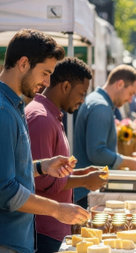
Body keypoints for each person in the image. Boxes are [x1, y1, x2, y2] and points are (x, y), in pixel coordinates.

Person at [0, 29, 89, 253]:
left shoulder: (13, 106)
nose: (48, 81)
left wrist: (43, 166)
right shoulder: (3, 110)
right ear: (23, 63)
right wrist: (57, 209)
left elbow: (9, 171)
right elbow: (5, 190)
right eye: (45, 73)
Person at [25, 57, 107, 252]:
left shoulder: (50, 114)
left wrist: (80, 174)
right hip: (44, 230)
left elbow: (51, 173)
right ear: (66, 86)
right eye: (81, 93)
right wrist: (84, 180)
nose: (82, 100)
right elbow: (40, 180)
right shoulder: (41, 118)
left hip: (54, 226)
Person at [73, 64, 136, 208]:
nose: (131, 99)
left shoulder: (98, 101)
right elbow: (97, 153)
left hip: (88, 187)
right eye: (131, 93)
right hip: (87, 192)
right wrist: (130, 162)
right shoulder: (101, 107)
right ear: (120, 84)